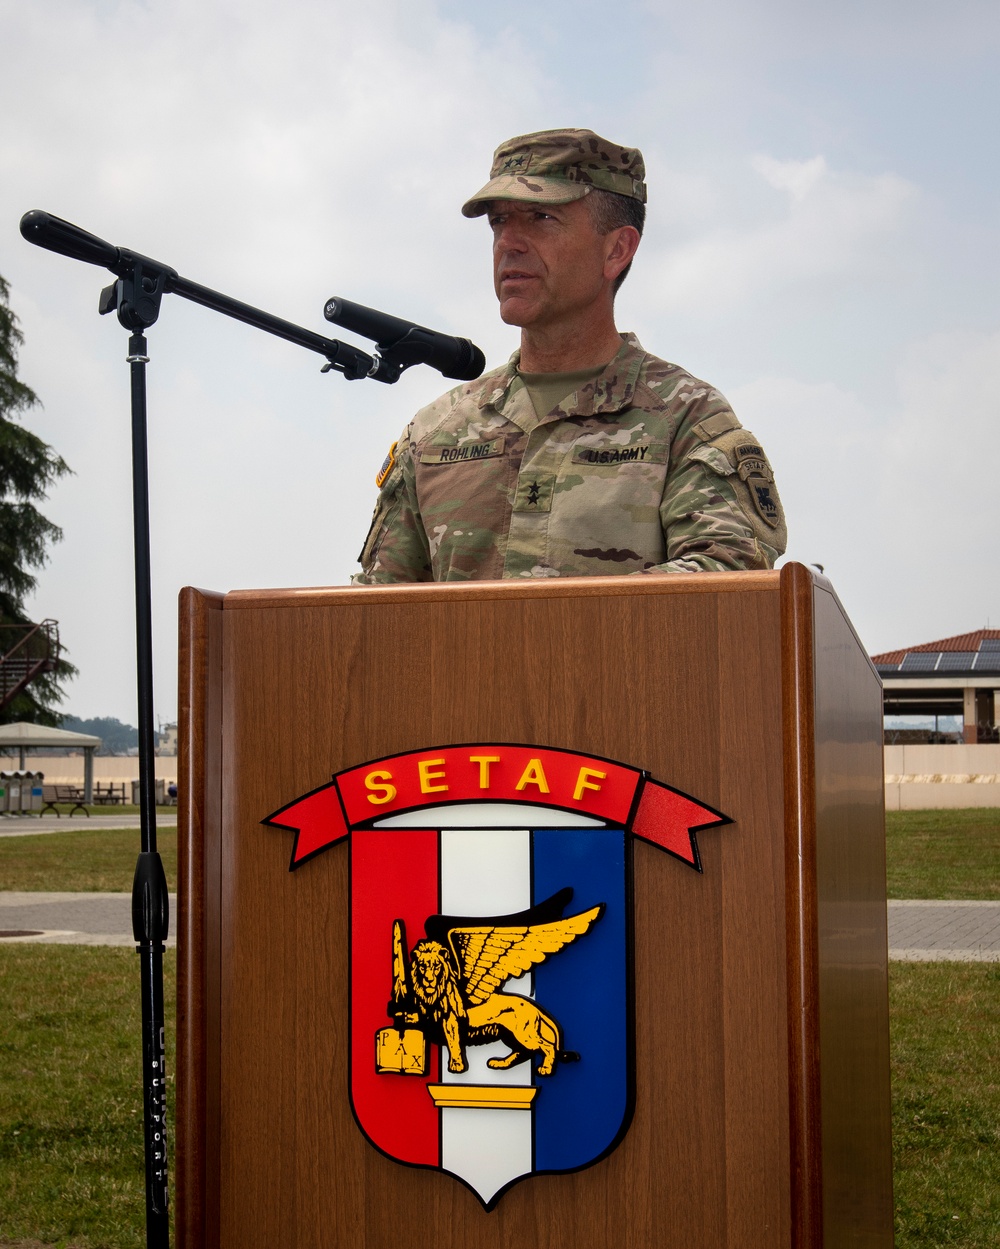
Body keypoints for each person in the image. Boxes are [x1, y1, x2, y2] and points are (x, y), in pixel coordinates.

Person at [353, 129, 785, 584]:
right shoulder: (434, 433)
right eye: (499, 221)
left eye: (541, 217)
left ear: (617, 249)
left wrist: (554, 636)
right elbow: (376, 615)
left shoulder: (685, 418)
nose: (508, 243)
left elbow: (726, 579)